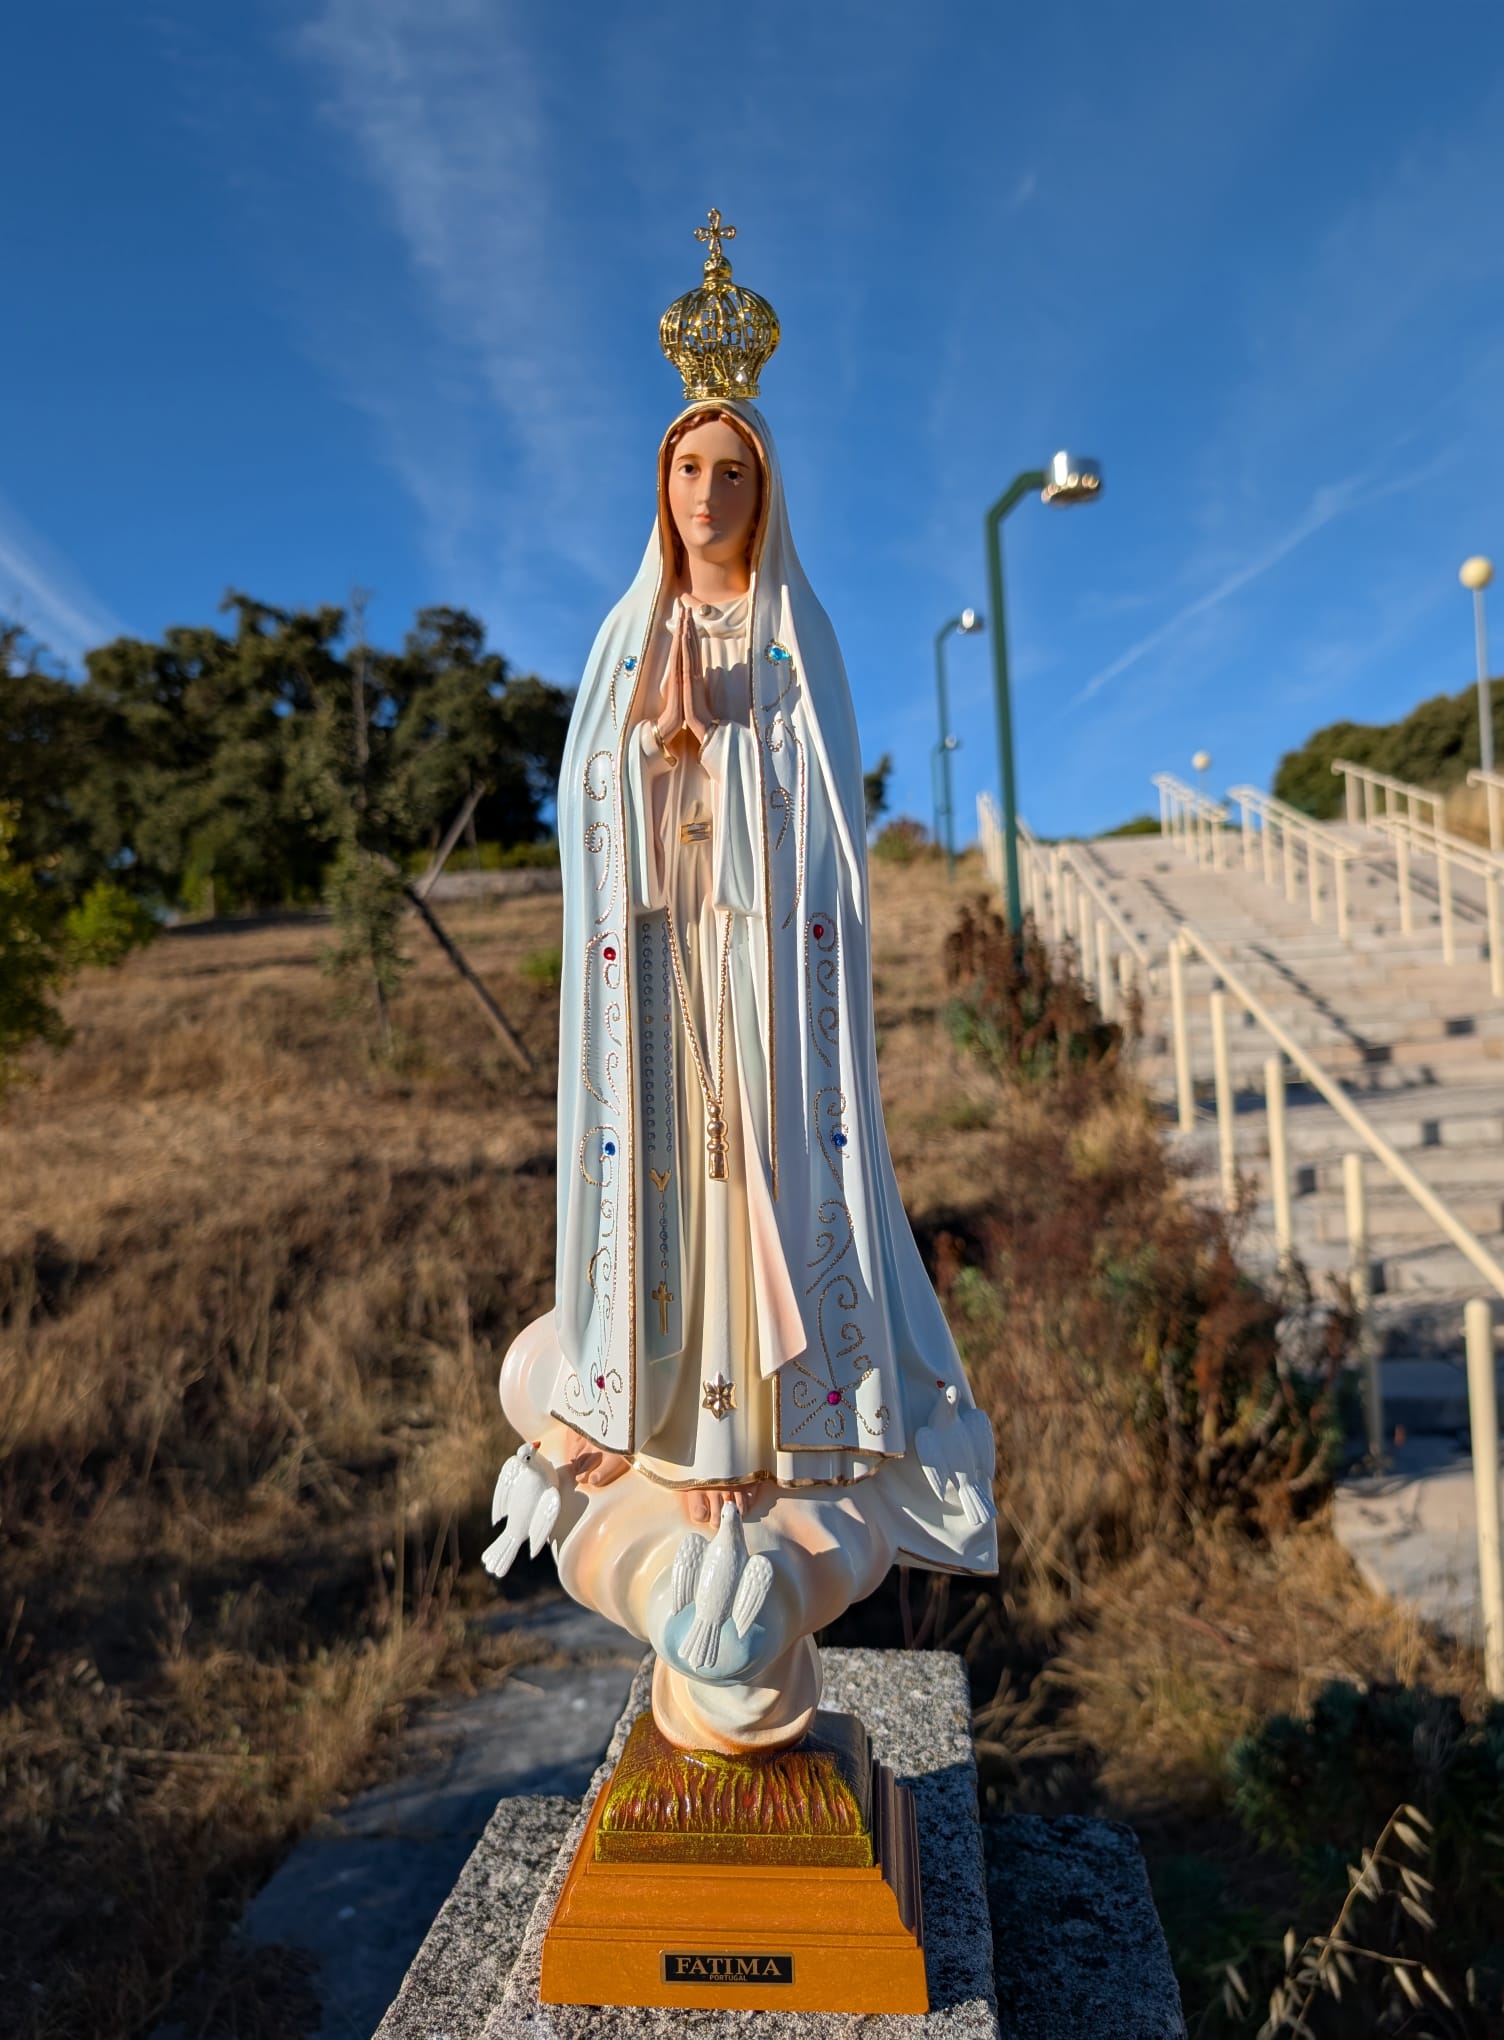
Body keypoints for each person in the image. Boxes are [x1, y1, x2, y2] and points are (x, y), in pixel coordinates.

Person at [498, 218, 996, 1751]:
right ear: (658, 484)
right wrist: (651, 763)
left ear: (764, 492)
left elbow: (826, 822)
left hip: (762, 975)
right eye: (687, 468)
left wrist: (731, 750)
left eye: (732, 472)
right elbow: (590, 802)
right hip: (663, 971)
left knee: (762, 1188)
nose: (707, 493)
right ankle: (663, 1422)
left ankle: (767, 1437)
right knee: (669, 1198)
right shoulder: (627, 631)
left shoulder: (794, 631)